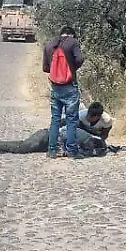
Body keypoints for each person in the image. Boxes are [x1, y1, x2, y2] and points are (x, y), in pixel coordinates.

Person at [0, 103, 116, 155]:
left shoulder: (106, 121)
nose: (89, 119)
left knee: (23, 148)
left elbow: (102, 138)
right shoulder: (78, 117)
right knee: (23, 147)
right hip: (48, 137)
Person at [43, 26, 85, 158]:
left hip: (55, 86)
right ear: (72, 35)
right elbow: (80, 59)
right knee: (71, 119)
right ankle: (72, 151)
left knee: (55, 118)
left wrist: (56, 70)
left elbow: (45, 68)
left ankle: (52, 150)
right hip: (70, 86)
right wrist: (71, 68)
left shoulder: (49, 44)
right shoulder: (73, 42)